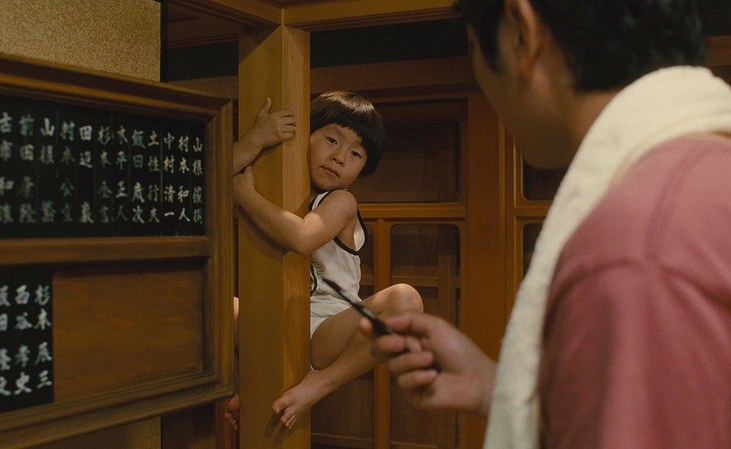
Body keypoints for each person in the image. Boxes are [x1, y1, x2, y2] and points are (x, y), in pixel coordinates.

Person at [363, 1, 731, 448]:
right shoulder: (704, 174)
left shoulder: (636, 247)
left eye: (473, 47)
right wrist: (500, 389)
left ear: (521, 32)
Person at [233, 91, 423, 429]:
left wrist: (244, 194)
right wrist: (254, 140)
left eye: (355, 153)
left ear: (363, 169)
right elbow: (210, 175)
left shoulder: (341, 201)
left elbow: (302, 238)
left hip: (326, 330)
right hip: (273, 319)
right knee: (205, 301)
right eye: (331, 140)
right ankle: (244, 390)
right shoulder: (279, 187)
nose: (339, 157)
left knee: (405, 300)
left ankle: (320, 383)